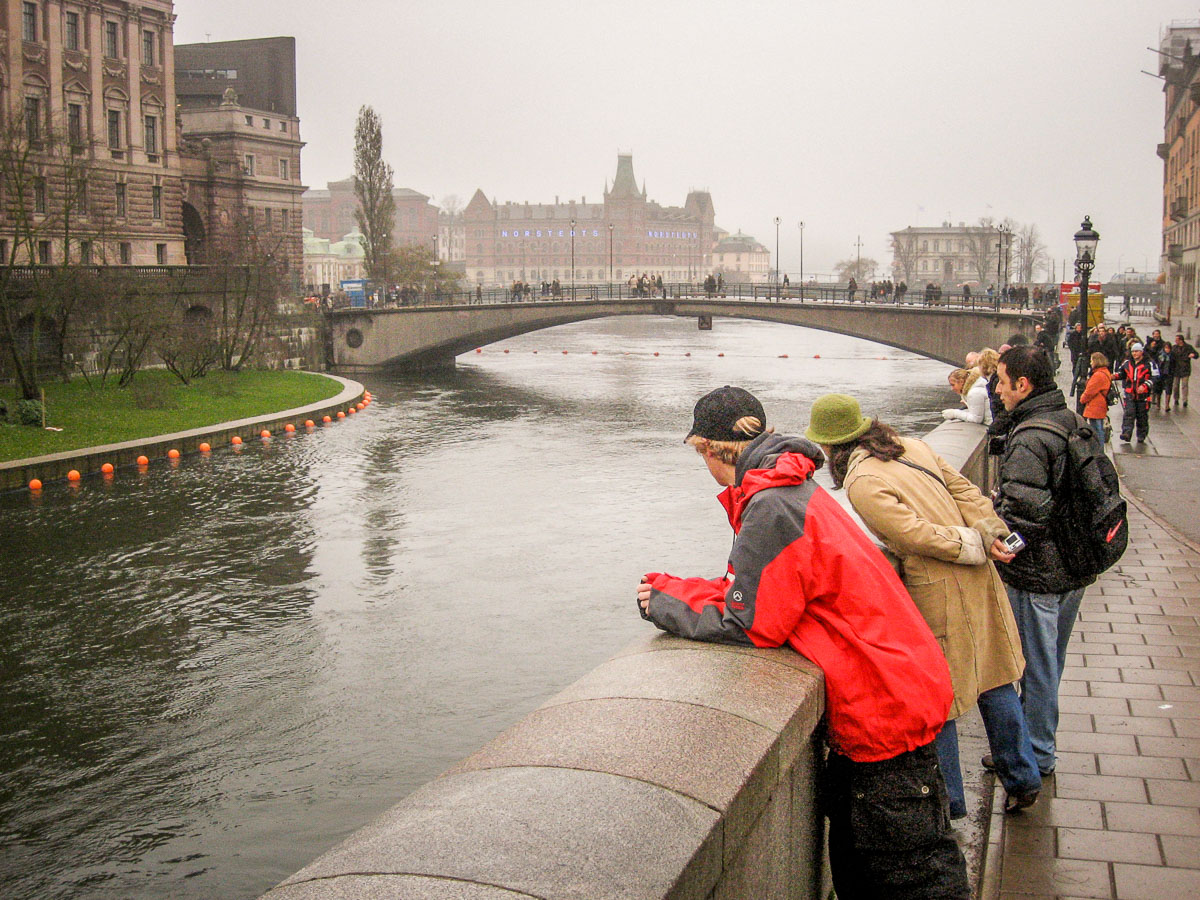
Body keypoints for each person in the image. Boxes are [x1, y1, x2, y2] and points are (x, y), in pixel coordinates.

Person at [636, 386, 970, 900]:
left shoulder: (771, 505)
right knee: (879, 874)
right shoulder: (792, 489)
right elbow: (755, 589)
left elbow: (748, 623)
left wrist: (661, 605)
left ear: (710, 449)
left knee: (911, 881)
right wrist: (674, 588)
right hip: (891, 697)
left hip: (884, 713)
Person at [811, 394, 1041, 818]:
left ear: (829, 447)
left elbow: (911, 536)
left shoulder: (862, 481)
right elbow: (967, 493)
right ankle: (1023, 778)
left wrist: (969, 544)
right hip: (981, 580)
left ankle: (950, 801)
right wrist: (988, 529)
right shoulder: (912, 446)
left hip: (937, 586)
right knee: (995, 677)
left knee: (942, 700)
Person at [991, 345, 1097, 777]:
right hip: (1075, 565)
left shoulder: (1031, 437)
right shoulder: (1068, 419)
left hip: (1040, 574)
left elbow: (1024, 514)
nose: (997, 391)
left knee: (1035, 666)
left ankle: (1034, 755)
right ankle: (1028, 745)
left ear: (1023, 384)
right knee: (1051, 659)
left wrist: (998, 547)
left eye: (1001, 381)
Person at [1116, 342, 1157, 443]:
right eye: (1133, 351)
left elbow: (1156, 377)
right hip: (1130, 394)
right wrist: (1114, 376)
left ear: (1141, 352)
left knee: (1142, 416)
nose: (1134, 353)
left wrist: (1145, 385)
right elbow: (1121, 374)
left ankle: (1141, 435)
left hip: (1143, 396)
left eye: (1137, 351)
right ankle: (1126, 433)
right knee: (1128, 414)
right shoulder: (1127, 363)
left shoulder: (1150, 363)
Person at [1078, 352, 1114, 445]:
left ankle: (1099, 451)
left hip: (1096, 405)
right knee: (1098, 428)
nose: (1090, 363)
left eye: (1091, 361)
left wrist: (1082, 399)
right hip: (1101, 404)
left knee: (1096, 430)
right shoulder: (1105, 372)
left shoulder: (1098, 375)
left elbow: (1090, 391)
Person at [1169, 333, 1197, 410]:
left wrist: (1193, 355)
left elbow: (1196, 354)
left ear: (1181, 340)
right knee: (1175, 386)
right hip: (1176, 369)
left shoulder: (1188, 347)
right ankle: (1176, 399)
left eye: (1177, 340)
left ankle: (1185, 400)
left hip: (1185, 369)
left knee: (1184, 385)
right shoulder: (1174, 347)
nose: (1175, 341)